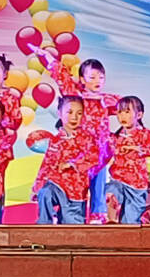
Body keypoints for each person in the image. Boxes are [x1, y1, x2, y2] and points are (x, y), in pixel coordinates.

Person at [39, 49, 119, 221]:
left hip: (100, 153)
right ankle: (63, 214)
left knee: (99, 183)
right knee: (74, 185)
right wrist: (49, 59)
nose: (97, 81)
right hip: (79, 152)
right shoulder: (77, 97)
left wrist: (107, 101)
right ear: (82, 79)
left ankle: (98, 216)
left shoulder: (106, 100)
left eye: (101, 77)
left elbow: (125, 107)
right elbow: (62, 78)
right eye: (92, 77)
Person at [30, 96, 98, 225]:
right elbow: (47, 163)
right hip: (56, 184)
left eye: (79, 113)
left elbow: (93, 158)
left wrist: (72, 164)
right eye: (70, 112)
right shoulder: (55, 140)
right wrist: (38, 184)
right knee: (45, 193)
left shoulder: (87, 139)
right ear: (59, 113)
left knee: (72, 226)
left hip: (76, 191)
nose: (74, 117)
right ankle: (44, 225)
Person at [104, 96, 150, 225]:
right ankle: (111, 222)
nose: (122, 116)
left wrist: (136, 148)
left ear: (139, 115)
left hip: (136, 185)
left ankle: (124, 232)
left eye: (127, 112)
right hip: (118, 180)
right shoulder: (115, 137)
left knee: (130, 222)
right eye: (119, 112)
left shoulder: (145, 134)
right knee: (110, 194)